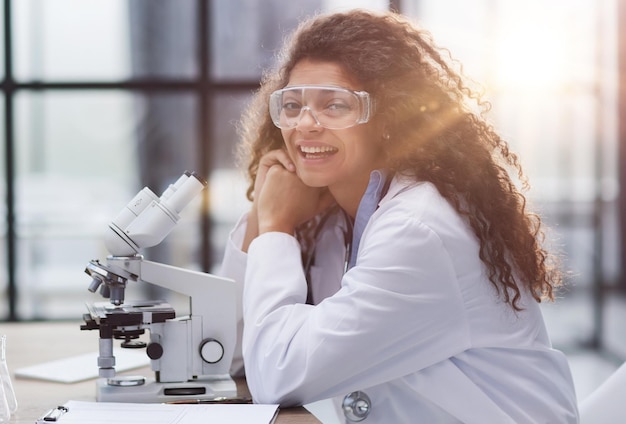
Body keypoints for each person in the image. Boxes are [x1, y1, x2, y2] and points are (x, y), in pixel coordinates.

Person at [219, 8, 579, 423]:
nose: (306, 124)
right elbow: (231, 354)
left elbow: (277, 375)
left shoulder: (419, 228)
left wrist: (276, 228)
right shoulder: (331, 219)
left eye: (335, 105)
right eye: (293, 104)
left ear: (388, 118)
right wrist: (261, 216)